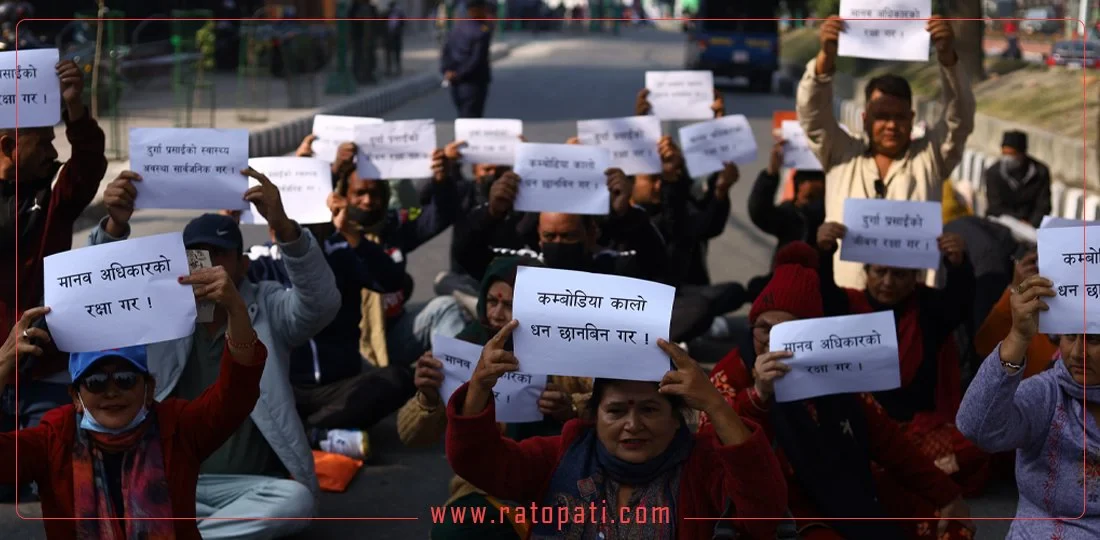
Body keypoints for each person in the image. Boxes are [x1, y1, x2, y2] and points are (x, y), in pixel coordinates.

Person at [91, 167, 341, 539]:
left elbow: (321, 304)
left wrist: (285, 228)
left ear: (244, 264)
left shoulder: (268, 305)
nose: (205, 264)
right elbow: (98, 295)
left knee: (295, 502)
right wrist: (113, 226)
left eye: (218, 254)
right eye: (195, 254)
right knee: (105, 495)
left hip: (254, 488)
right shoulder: (162, 310)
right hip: (175, 480)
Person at [702, 241, 975, 539]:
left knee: (952, 528)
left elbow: (885, 439)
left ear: (812, 334)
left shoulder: (829, 365)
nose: (773, 343)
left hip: (844, 490)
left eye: (790, 332)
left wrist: (947, 495)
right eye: (765, 329)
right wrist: (758, 396)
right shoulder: (731, 374)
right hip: (778, 509)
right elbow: (715, 458)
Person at [445, 322, 789, 539]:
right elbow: (479, 462)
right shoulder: (563, 454)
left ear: (677, 417)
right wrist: (479, 387)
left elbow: (763, 513)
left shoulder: (701, 466)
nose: (633, 425)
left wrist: (716, 404)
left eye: (650, 409)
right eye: (616, 410)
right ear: (594, 416)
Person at [0, 295, 267, 539]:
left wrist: (235, 309)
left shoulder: (177, 426)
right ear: (75, 397)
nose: (112, 392)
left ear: (149, 389)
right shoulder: (55, 438)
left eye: (126, 379)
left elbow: (236, 396)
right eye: (95, 382)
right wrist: (3, 363)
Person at [400, 255, 594, 539]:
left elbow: (615, 407)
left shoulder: (567, 348)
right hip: (488, 487)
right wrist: (428, 398)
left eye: (511, 305)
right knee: (453, 531)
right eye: (492, 302)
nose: (497, 314)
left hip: (563, 479)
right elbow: (411, 436)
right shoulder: (466, 348)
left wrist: (572, 407)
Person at [797, 15, 975, 289]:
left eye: (900, 117)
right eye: (882, 117)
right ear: (865, 118)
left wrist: (947, 58)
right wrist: (825, 59)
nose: (891, 125)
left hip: (916, 305)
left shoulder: (930, 156)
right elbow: (813, 115)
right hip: (848, 301)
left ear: (912, 118)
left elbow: (959, 118)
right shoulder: (841, 152)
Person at [815, 221, 989, 494]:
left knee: (978, 445)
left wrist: (957, 263)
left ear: (914, 277)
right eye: (880, 271)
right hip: (862, 429)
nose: (887, 282)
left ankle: (891, 474)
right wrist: (825, 251)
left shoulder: (929, 309)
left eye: (899, 274)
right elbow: (821, 292)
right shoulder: (847, 305)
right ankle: (907, 476)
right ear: (866, 272)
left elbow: (959, 302)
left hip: (919, 432)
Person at [0, 59, 107, 503]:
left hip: (46, 372)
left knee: (64, 484)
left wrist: (75, 109)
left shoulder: (53, 195)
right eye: (43, 142)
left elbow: (88, 161)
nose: (52, 151)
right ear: (8, 146)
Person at [957, 274, 1100, 537]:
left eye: (1094, 339)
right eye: (1070, 335)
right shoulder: (1048, 394)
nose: (1079, 351)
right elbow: (976, 427)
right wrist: (1018, 337)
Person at [748, 139, 826, 263]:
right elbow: (760, 213)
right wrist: (771, 173)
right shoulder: (792, 215)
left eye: (814, 196)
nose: (807, 185)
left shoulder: (833, 218)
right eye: (802, 182)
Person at [983, 130, 1052, 229]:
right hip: (1001, 222)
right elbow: (995, 206)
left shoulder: (1040, 172)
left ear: (1022, 153)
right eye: (1004, 153)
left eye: (1011, 154)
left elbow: (1043, 205)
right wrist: (1018, 220)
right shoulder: (993, 173)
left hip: (1030, 225)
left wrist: (1032, 223)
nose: (1007, 158)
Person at [441, 0, 494, 118]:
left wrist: (447, 71)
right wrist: (458, 73)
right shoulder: (481, 31)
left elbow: (445, 52)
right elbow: (476, 60)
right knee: (472, 120)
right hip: (473, 82)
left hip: (456, 83)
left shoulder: (456, 28)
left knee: (463, 115)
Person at [384, 0, 406, 76]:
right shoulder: (386, 14)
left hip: (397, 37)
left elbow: (403, 24)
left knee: (397, 54)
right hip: (388, 37)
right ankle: (388, 69)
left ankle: (398, 69)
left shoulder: (400, 14)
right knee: (388, 55)